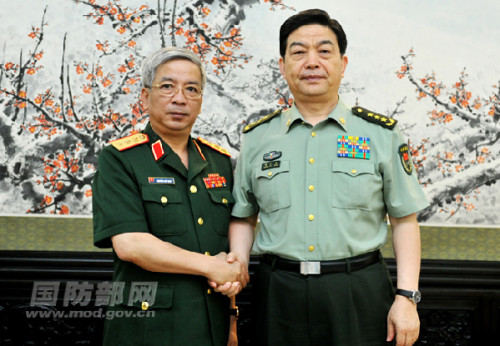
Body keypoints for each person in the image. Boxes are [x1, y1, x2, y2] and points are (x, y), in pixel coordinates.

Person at [222, 8, 430, 346]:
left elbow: (404, 218)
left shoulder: (381, 134)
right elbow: (244, 216)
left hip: (357, 289)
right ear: (283, 65)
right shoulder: (257, 137)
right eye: (299, 52)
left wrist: (407, 297)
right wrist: (238, 268)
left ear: (342, 64)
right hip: (278, 290)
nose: (312, 62)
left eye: (324, 50)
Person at [92, 46, 248, 346]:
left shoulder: (219, 162)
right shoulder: (120, 158)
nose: (180, 98)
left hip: (211, 327)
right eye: (167, 87)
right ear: (144, 96)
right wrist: (209, 266)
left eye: (192, 89)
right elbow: (131, 245)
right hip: (148, 330)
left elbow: (225, 249)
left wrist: (231, 323)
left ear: (201, 100)